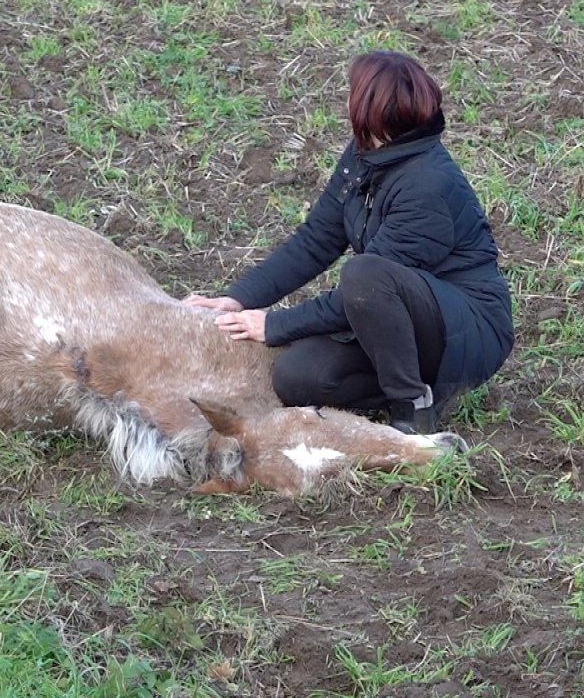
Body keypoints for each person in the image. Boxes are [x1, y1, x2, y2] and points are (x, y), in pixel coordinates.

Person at [185, 50, 514, 435]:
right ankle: (405, 386)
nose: (346, 101)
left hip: (468, 329)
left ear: (370, 107)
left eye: (352, 92)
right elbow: (316, 240)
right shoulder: (365, 156)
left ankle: (412, 406)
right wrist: (241, 298)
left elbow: (366, 290)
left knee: (365, 274)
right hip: (401, 318)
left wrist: (275, 325)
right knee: (296, 377)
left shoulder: (428, 185)